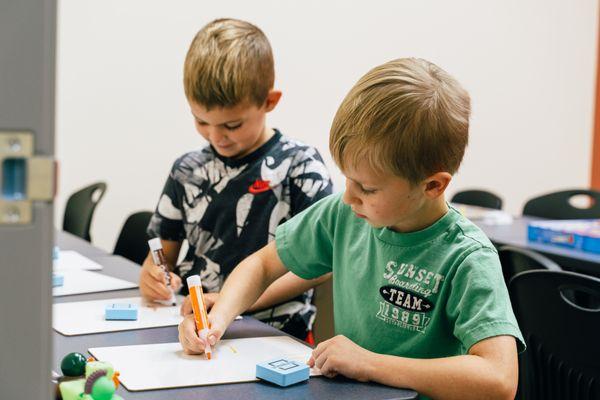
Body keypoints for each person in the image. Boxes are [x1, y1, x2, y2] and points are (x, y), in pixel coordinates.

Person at [179, 58, 525, 400]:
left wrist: (371, 364)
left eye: (368, 188)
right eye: (347, 179)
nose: (348, 196)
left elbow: (498, 380)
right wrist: (218, 320)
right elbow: (263, 265)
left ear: (432, 185)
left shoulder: (467, 257)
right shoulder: (345, 215)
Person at [141, 18, 332, 339]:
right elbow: (160, 255)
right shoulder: (186, 170)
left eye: (232, 125)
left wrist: (233, 302)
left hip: (275, 331)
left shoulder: (301, 168)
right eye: (201, 121)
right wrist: (153, 276)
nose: (217, 137)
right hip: (195, 324)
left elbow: (319, 266)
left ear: (270, 101)